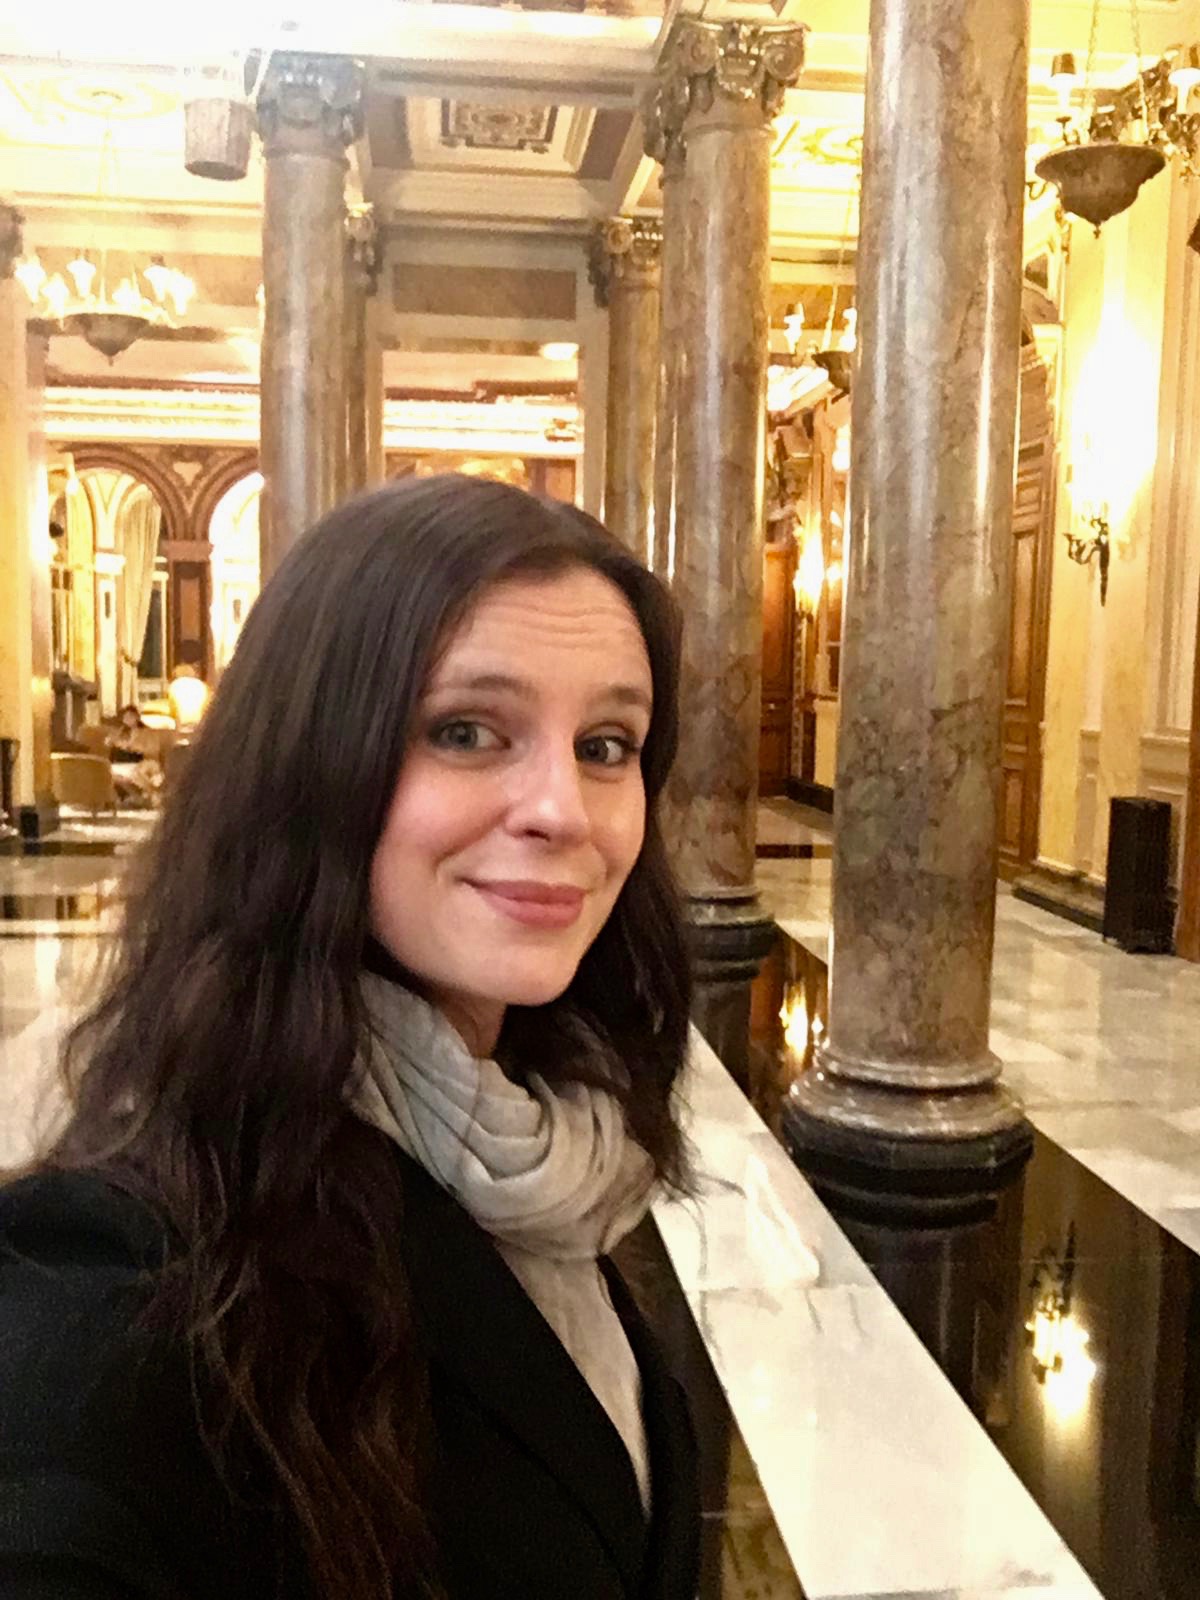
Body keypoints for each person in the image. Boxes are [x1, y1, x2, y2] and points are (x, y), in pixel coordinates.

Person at [0, 474, 700, 1600]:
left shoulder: (553, 1150)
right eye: (467, 731)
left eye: (607, 744)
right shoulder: (122, 1281)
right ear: (309, 766)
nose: (564, 809)